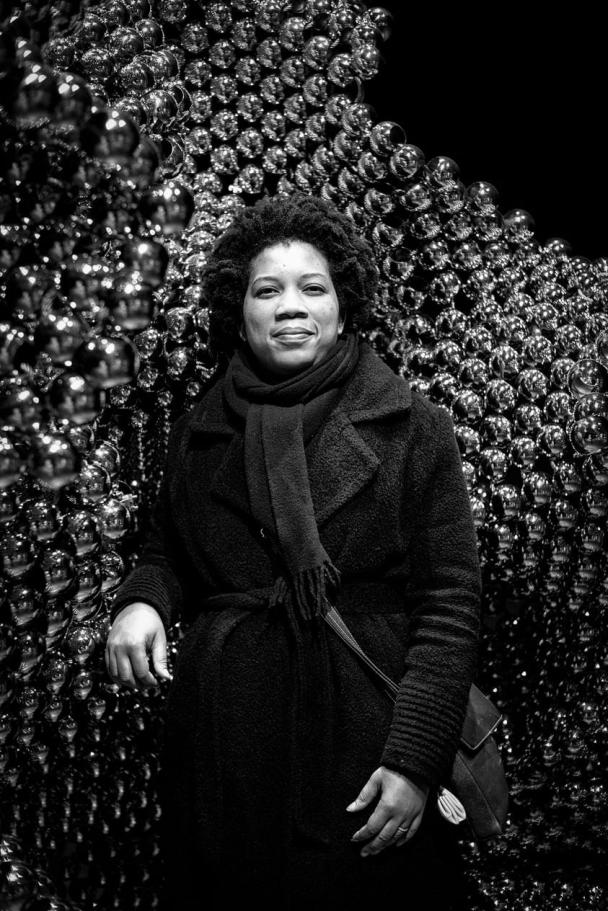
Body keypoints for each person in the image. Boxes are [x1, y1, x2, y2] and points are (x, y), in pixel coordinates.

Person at [105, 193, 482, 910]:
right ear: (239, 317)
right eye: (266, 290)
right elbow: (169, 549)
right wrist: (143, 600)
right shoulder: (198, 429)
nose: (290, 305)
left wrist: (413, 760)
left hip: (366, 741)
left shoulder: (412, 425)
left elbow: (451, 604)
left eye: (313, 287)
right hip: (225, 746)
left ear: (343, 307)